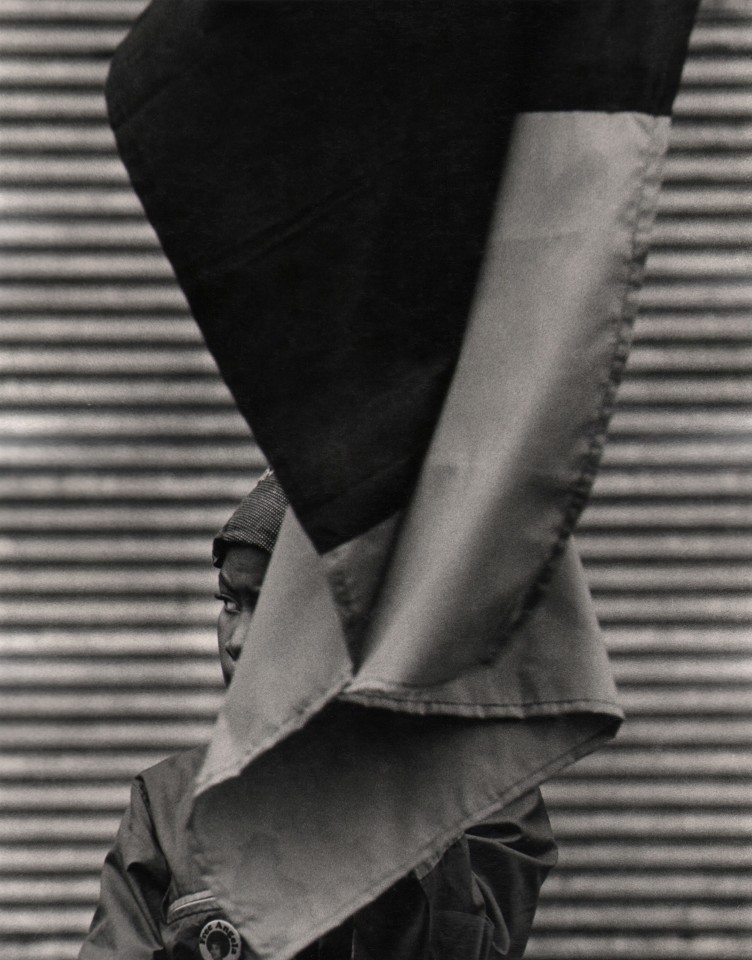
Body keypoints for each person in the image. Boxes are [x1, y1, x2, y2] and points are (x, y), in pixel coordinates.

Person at [79, 471, 557, 960]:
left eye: (268, 606)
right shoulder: (167, 805)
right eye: (228, 601)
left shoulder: (484, 795)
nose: (236, 640)